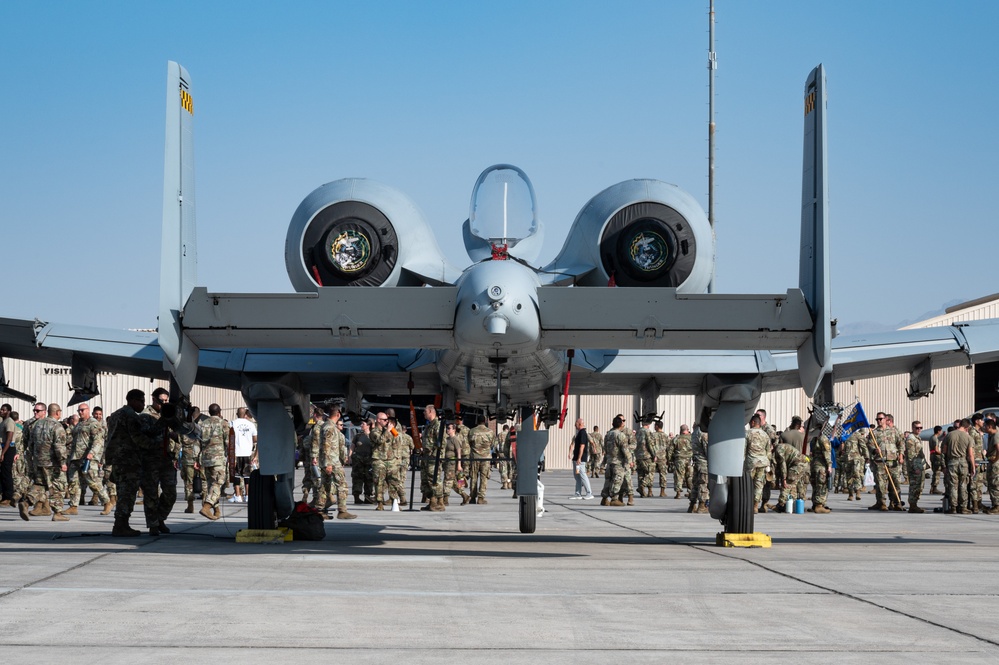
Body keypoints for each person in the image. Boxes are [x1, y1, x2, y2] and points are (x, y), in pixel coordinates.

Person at [22, 403, 70, 522]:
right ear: (58, 412)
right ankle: (57, 513)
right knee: (58, 485)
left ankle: (26, 502)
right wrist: (63, 462)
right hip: (52, 462)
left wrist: (34, 458)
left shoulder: (37, 424)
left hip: (38, 461)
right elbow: (59, 446)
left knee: (40, 484)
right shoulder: (57, 426)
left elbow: (30, 443)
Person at [66, 403, 112, 515]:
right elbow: (73, 441)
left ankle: (107, 502)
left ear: (87, 410)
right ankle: (73, 506)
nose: (80, 412)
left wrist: (92, 453)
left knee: (93, 481)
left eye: (82, 410)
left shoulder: (93, 424)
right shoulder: (78, 425)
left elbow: (98, 441)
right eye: (79, 410)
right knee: (73, 482)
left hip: (87, 458)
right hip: (75, 457)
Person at [197, 404, 228, 520]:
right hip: (218, 459)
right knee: (218, 483)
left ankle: (216, 510)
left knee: (211, 484)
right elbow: (228, 442)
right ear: (219, 412)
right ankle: (206, 507)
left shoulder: (202, 424)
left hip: (205, 459)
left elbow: (198, 442)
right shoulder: (223, 423)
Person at [942, 419, 976, 514]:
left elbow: (943, 451)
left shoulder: (949, 435)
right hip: (963, 463)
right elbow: (970, 455)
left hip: (952, 462)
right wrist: (973, 467)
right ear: (967, 427)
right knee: (963, 485)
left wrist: (944, 465)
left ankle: (953, 507)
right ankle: (963, 507)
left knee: (953, 485)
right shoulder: (968, 438)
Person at [600, 416, 633, 506]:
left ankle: (604, 498)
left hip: (610, 461)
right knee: (617, 480)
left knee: (608, 480)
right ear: (621, 424)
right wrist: (630, 460)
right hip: (618, 462)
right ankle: (614, 499)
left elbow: (605, 449)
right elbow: (625, 449)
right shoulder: (620, 435)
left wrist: (604, 462)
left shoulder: (608, 435)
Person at [229, 407, 257, 502]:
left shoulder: (232, 423)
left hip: (236, 453)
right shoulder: (251, 424)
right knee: (247, 474)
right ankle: (248, 495)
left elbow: (229, 437)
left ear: (237, 414)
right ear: (245, 414)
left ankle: (238, 496)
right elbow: (255, 439)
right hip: (247, 452)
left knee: (236, 474)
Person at [745, 414, 771, 512]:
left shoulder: (747, 433)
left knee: (748, 484)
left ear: (753, 422)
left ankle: (748, 503)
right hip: (763, 463)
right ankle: (755, 505)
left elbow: (743, 450)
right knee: (759, 484)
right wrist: (768, 464)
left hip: (751, 463)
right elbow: (768, 451)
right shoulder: (765, 435)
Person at [467, 416, 495, 504]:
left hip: (475, 457)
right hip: (485, 458)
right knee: (484, 478)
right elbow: (492, 444)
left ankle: (472, 497)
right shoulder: (490, 432)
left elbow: (469, 443)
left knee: (473, 477)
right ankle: (481, 497)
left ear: (477, 421)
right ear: (485, 421)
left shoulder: (472, 431)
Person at [808, 425, 833, 513]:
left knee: (816, 486)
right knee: (822, 486)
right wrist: (829, 465)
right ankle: (819, 506)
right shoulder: (823, 439)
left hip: (814, 465)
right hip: (821, 466)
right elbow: (826, 453)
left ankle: (815, 505)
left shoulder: (814, 439)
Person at [904, 421, 927, 513]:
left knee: (919, 486)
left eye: (920, 428)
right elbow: (910, 455)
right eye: (917, 428)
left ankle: (914, 504)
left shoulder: (917, 438)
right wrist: (915, 468)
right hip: (915, 466)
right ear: (912, 428)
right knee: (914, 486)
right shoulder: (911, 438)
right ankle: (912, 505)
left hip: (919, 465)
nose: (919, 430)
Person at [350, 419, 374, 504]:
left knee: (369, 478)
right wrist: (349, 456)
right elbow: (352, 446)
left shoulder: (373, 436)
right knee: (357, 478)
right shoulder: (358, 436)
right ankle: (356, 496)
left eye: (363, 424)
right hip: (358, 460)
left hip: (369, 460)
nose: (361, 425)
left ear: (368, 425)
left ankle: (368, 496)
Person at [570, 418, 593, 499]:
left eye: (576, 423)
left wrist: (579, 458)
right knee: (577, 476)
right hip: (576, 458)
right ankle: (577, 493)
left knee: (582, 475)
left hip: (580, 459)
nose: (574, 424)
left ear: (580, 424)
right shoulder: (578, 433)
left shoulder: (583, 433)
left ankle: (589, 493)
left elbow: (582, 446)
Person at [688, 427, 709, 513]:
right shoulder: (703, 433)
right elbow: (707, 449)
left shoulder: (694, 433)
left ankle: (692, 505)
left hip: (696, 461)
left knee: (695, 484)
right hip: (703, 462)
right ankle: (702, 505)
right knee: (703, 484)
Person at [671, 425, 693, 499]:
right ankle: (690, 492)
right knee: (689, 476)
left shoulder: (676, 439)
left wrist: (670, 459)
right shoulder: (692, 438)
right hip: (690, 460)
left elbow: (670, 450)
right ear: (687, 430)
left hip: (679, 459)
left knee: (679, 476)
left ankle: (678, 493)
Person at [0, 403, 16, 505]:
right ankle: (4, 495)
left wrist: (3, 453)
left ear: (8, 411)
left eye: (4, 410)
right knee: (2, 473)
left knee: (6, 473)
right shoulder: (3, 422)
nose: (1, 411)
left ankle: (8, 497)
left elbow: (9, 438)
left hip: (8, 449)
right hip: (3, 448)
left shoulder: (9, 422)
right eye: (1, 410)